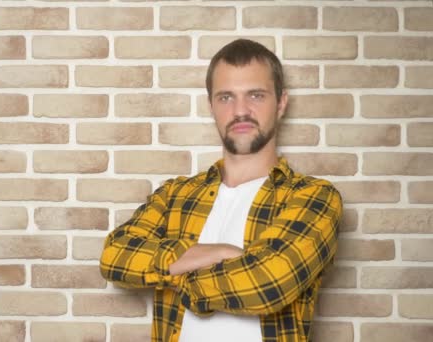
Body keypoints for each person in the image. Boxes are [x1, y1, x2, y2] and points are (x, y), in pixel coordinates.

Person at [99, 39, 342, 342]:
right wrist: (218, 253)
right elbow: (114, 255)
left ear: (281, 103)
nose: (241, 111)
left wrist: (175, 273)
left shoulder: (313, 197)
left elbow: (269, 282)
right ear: (211, 106)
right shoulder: (176, 195)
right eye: (226, 97)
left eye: (256, 95)